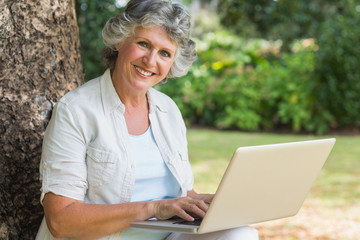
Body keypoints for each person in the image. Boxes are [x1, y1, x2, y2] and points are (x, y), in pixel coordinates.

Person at [35, 0, 259, 239]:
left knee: (240, 233)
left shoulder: (168, 111)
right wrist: (153, 209)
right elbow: (61, 221)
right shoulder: (76, 110)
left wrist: (204, 202)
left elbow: (181, 193)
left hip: (168, 236)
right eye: (143, 44)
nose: (151, 61)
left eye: (165, 53)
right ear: (120, 40)